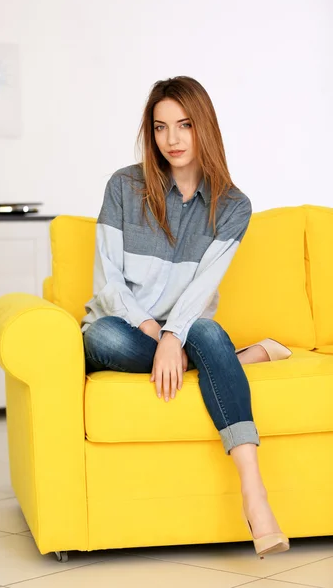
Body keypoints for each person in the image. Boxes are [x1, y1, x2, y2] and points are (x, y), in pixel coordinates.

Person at [81, 76, 291, 558]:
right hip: (124, 328)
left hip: (188, 328)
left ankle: (255, 498)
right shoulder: (123, 186)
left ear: (205, 129)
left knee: (206, 331)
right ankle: (235, 360)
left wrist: (177, 333)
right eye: (160, 128)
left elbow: (201, 291)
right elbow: (108, 283)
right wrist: (159, 333)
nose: (172, 139)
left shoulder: (233, 207)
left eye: (185, 125)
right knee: (105, 339)